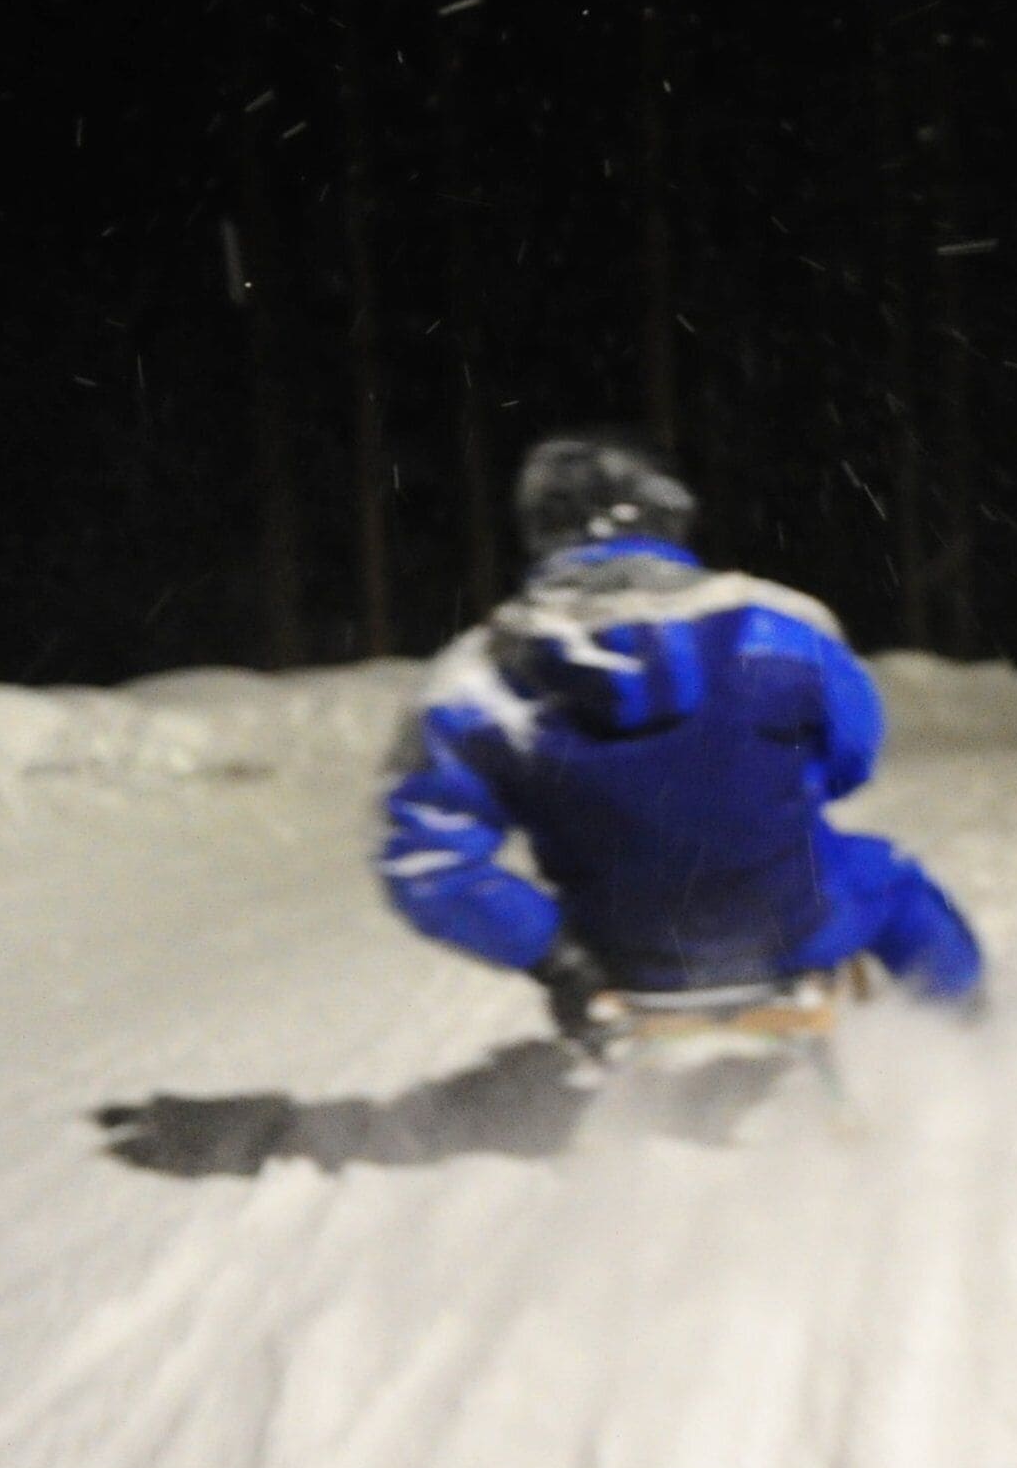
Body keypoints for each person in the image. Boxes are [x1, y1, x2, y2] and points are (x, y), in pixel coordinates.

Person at [379, 431, 983, 1039]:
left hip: (615, 954)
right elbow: (852, 758)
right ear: (667, 511)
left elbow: (426, 861)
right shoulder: (784, 626)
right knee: (893, 883)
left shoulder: (472, 680)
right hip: (793, 924)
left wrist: (556, 957)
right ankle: (974, 1038)